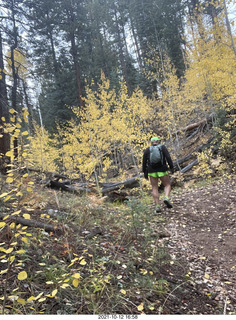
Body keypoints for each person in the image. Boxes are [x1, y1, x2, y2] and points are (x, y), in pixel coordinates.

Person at [142, 136, 174, 213]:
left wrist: (145, 172)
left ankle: (157, 206)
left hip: (151, 171)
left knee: (154, 187)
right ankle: (166, 197)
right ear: (158, 142)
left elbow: (144, 162)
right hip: (162, 169)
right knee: (167, 185)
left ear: (151, 142)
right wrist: (171, 167)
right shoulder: (162, 147)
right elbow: (168, 157)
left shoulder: (147, 150)